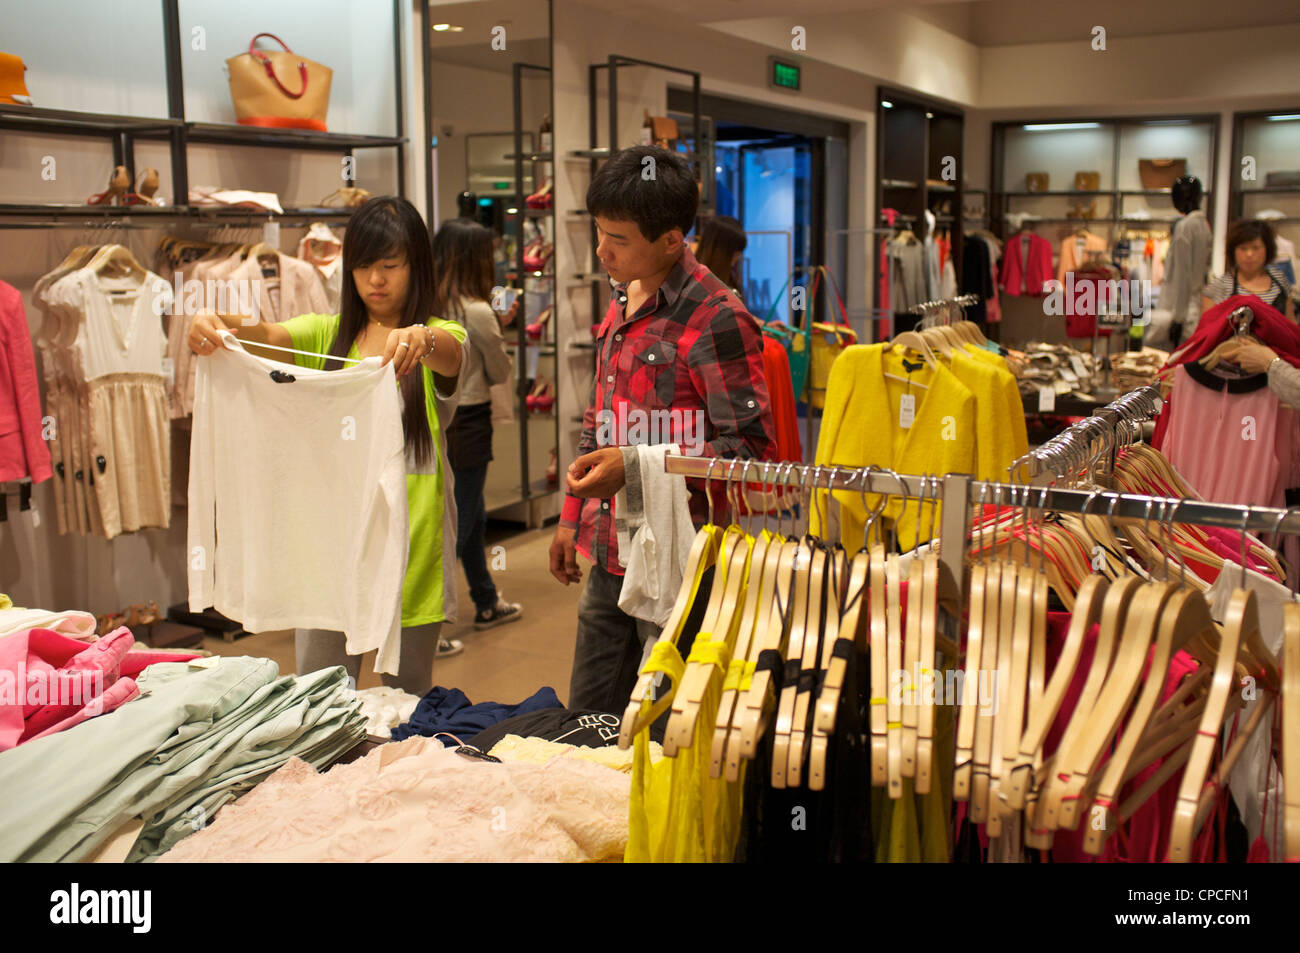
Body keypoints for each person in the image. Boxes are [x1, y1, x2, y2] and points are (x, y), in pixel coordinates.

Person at [187, 196, 470, 693]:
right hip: (331, 544)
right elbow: (266, 335)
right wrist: (218, 324)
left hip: (414, 543)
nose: (375, 280)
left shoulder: (438, 335)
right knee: (319, 697)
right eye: (363, 267)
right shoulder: (327, 333)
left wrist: (421, 340)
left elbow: (450, 353)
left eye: (390, 265)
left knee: (407, 703)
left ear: (416, 266)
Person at [550, 145, 776, 713]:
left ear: (672, 240)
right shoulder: (623, 295)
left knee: (660, 731)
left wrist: (638, 465)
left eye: (617, 238)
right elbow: (601, 421)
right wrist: (569, 520)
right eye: (598, 232)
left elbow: (750, 449)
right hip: (608, 552)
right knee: (588, 723)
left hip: (682, 560)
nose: (600, 250)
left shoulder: (717, 317)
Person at [431, 217, 524, 630]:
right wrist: (502, 329)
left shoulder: (427, 306)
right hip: (468, 419)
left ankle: (485, 598)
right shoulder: (477, 310)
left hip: (435, 417)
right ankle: (432, 624)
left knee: (471, 513)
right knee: (461, 519)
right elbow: (500, 371)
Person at [1200, 219, 1294, 321]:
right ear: (1233, 251)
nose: (1249, 254)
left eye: (1256, 248)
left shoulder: (1280, 280)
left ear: (1267, 249)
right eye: (1243, 248)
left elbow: (1290, 325)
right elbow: (1207, 331)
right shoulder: (1219, 287)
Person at [692, 214, 747, 298]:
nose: (737, 258)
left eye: (738, 254)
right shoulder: (694, 284)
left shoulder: (730, 281)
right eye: (734, 254)